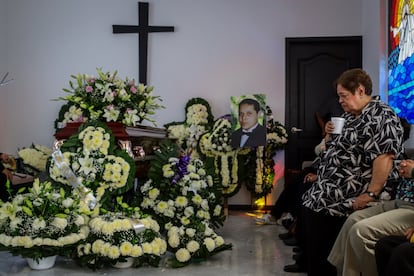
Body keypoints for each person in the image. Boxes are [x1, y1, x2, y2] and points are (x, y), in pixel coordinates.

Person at [300, 68, 405, 276]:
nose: (340, 101)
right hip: (333, 186)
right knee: (308, 203)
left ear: (360, 90)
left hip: (355, 191)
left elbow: (384, 158)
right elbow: (337, 150)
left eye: (343, 96)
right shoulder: (352, 116)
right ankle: (313, 266)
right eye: (339, 96)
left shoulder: (381, 115)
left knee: (318, 213)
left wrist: (371, 193)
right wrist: (329, 137)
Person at [328, 158, 414, 276]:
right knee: (353, 219)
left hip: (411, 210)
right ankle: (340, 271)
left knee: (361, 231)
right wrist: (406, 167)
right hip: (401, 199)